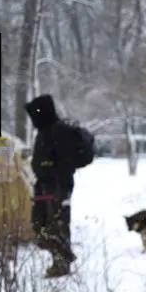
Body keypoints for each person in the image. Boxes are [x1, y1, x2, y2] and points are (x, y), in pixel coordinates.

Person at [24, 94, 92, 278]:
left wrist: (54, 171)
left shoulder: (59, 130)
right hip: (43, 185)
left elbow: (66, 159)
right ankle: (63, 256)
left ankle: (61, 261)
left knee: (56, 224)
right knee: (40, 225)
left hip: (57, 186)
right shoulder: (44, 131)